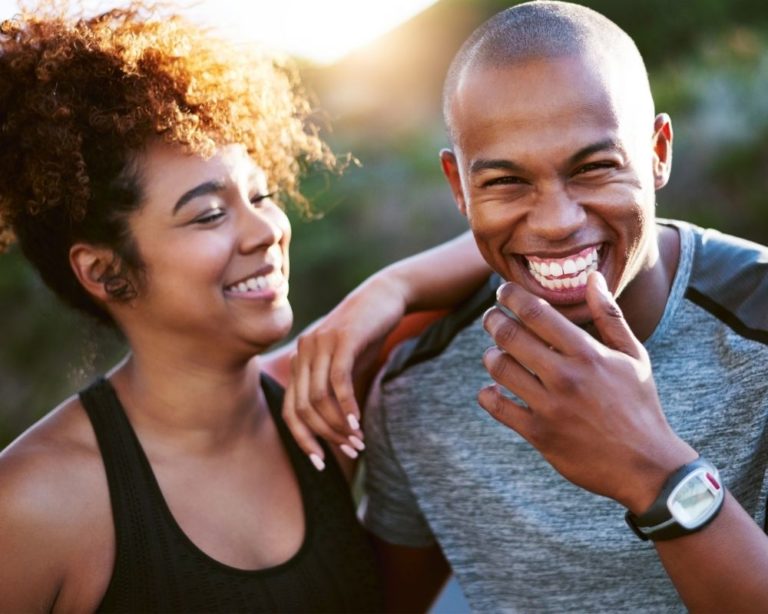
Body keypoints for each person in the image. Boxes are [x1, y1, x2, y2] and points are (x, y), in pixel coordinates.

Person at [0, 3, 491, 611]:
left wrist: (388, 289)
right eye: (209, 214)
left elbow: (520, 235)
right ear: (105, 270)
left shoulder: (321, 400)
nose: (266, 230)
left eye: (260, 194)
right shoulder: (33, 502)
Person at [284, 1, 768, 611]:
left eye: (594, 168)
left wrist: (654, 473)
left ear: (657, 152)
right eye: (507, 182)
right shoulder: (417, 391)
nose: (558, 223)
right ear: (459, 188)